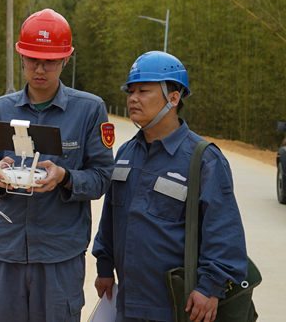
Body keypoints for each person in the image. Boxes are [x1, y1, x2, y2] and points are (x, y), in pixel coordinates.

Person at [0, 8, 114, 321]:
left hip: (59, 256)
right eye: (32, 59)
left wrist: (65, 177)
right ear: (21, 57)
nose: (40, 69)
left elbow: (102, 177)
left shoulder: (89, 110)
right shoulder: (0, 109)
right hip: (6, 251)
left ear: (66, 59)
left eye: (49, 61)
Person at [91, 51, 248, 322]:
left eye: (143, 91)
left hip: (176, 306)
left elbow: (224, 230)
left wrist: (210, 288)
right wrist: (104, 266)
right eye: (130, 91)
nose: (133, 98)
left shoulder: (203, 159)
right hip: (126, 303)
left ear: (174, 98)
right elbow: (111, 217)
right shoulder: (127, 153)